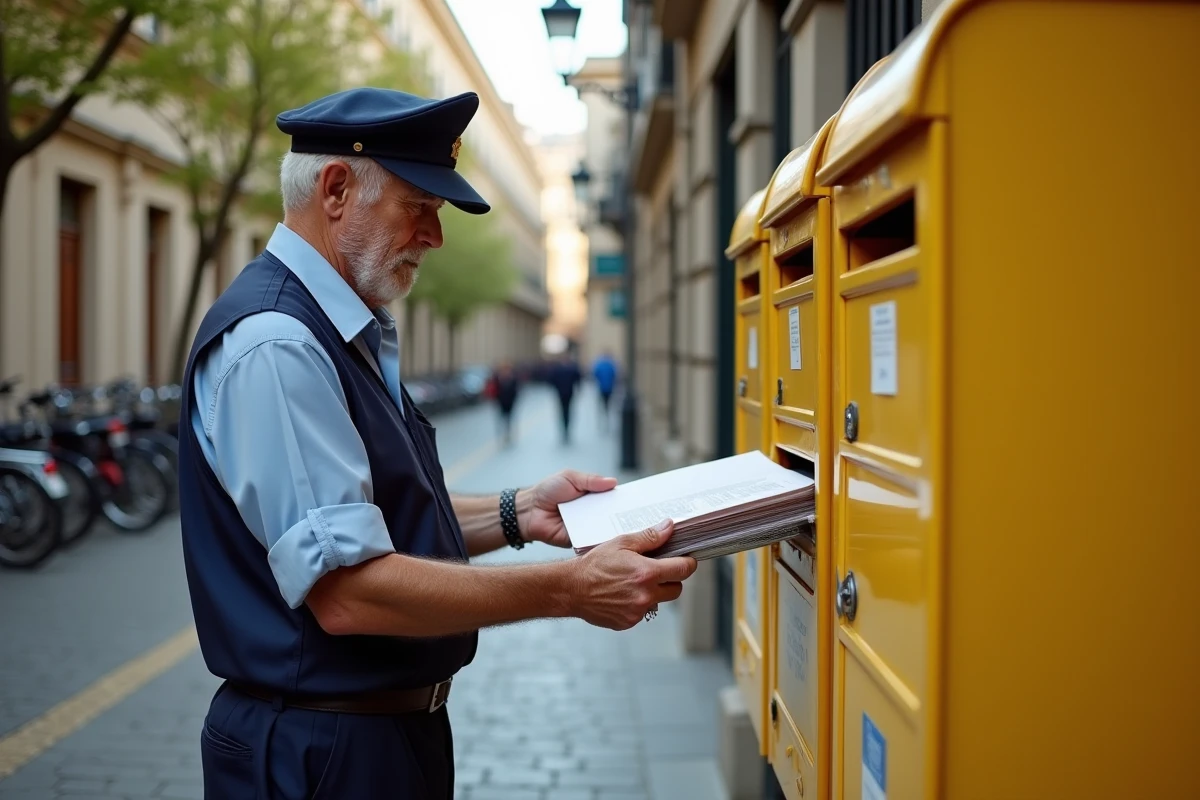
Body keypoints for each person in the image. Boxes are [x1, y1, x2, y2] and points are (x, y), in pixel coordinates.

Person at [176, 87, 697, 800]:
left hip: (367, 739)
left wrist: (520, 511)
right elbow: (349, 592)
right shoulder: (278, 345)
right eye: (418, 206)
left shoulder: (336, 328)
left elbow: (365, 519)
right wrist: (569, 589)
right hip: (322, 753)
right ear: (336, 189)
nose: (435, 235)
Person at [547, 353, 583, 445]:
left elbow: (551, 380)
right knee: (566, 412)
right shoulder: (569, 368)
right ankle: (565, 429)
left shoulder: (560, 369)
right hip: (565, 393)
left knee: (565, 412)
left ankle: (565, 429)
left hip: (564, 393)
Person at [489, 360, 520, 445]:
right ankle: (501, 434)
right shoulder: (497, 378)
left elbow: (516, 390)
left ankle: (508, 434)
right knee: (501, 419)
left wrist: (514, 399)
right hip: (500, 402)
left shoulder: (513, 378)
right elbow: (494, 390)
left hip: (510, 402)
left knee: (509, 419)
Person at [591, 350, 618, 431]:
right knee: (608, 405)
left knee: (601, 405)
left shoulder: (599, 364)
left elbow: (595, 375)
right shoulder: (611, 364)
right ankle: (607, 420)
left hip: (601, 388)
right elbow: (615, 375)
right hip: (609, 388)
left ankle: (602, 422)